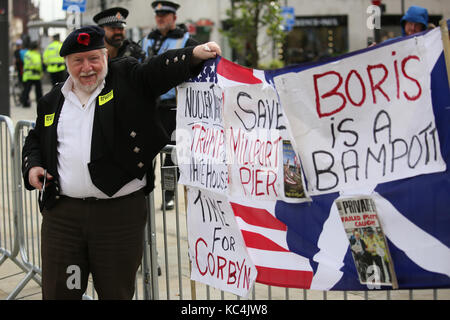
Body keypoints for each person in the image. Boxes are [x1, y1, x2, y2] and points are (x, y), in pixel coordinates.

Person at [21, 25, 220, 300]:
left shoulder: (127, 78)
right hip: (63, 219)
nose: (87, 68)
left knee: (116, 293)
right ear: (67, 63)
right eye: (78, 61)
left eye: (94, 58)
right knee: (60, 293)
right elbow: (35, 138)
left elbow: (157, 70)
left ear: (105, 55)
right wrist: (33, 165)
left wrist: (193, 55)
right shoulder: (52, 99)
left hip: (118, 218)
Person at [142, 1, 199, 210]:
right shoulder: (148, 40)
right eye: (158, 16)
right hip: (150, 106)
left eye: (165, 16)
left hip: (173, 107)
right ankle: (144, 191)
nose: (160, 19)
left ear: (174, 18)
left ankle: (168, 195)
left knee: (171, 154)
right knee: (145, 152)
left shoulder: (186, 40)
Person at [21, 41, 43, 108]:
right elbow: (38, 65)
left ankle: (25, 102)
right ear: (36, 48)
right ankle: (40, 103)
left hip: (28, 75)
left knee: (26, 90)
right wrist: (41, 72)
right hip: (35, 75)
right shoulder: (36, 54)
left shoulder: (27, 54)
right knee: (38, 91)